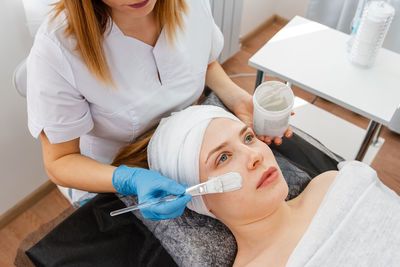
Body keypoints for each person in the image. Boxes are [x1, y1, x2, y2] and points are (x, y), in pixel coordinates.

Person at [26, 0, 292, 217]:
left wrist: (236, 99)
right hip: (110, 174)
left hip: (187, 153)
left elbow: (206, 62)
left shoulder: (190, 5)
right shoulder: (57, 50)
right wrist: (129, 179)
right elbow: (60, 161)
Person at [113, 105, 400, 266]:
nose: (255, 155)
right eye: (223, 157)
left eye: (248, 138)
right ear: (200, 198)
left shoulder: (335, 181)